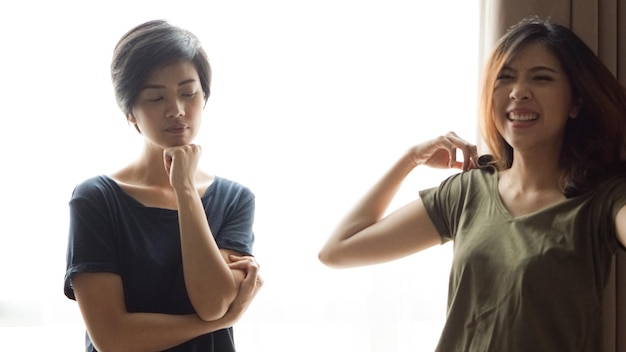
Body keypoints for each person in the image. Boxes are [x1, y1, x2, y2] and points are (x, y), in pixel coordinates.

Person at [318, 16, 626, 351]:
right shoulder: (467, 191)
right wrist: (411, 159)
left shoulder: (602, 199)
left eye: (541, 78)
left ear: (576, 103)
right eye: (504, 78)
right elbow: (337, 250)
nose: (519, 92)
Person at [64, 20, 262, 352]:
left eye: (189, 93)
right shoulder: (96, 199)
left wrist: (184, 189)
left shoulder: (234, 199)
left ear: (204, 97)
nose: (177, 110)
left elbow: (212, 302)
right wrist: (222, 321)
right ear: (130, 113)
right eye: (156, 98)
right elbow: (112, 338)